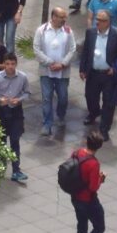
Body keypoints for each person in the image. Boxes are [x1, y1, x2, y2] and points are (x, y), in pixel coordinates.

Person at [80, 10, 117, 141]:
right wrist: (82, 69)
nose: (97, 22)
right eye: (97, 19)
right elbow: (86, 51)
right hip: (93, 73)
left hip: (109, 75)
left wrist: (116, 68)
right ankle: (93, 113)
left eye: (101, 20)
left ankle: (104, 129)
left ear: (108, 22)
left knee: (109, 103)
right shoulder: (90, 33)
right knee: (90, 97)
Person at [32, 7, 76, 137]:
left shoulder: (68, 31)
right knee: (46, 98)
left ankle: (61, 115)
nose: (64, 19)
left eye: (65, 17)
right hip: (47, 71)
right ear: (54, 17)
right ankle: (47, 124)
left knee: (63, 97)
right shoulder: (42, 31)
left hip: (63, 72)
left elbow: (72, 49)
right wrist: (50, 62)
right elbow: (36, 49)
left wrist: (62, 64)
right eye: (62, 17)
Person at [69, 130, 107, 233]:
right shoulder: (93, 164)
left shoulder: (77, 153)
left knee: (82, 226)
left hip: (75, 196)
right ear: (98, 147)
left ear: (87, 141)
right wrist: (101, 179)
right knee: (99, 227)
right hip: (88, 200)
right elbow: (93, 187)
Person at [0, 53, 31, 182]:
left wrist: (19, 100)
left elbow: (27, 93)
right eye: (7, 64)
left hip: (16, 112)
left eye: (12, 64)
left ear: (16, 64)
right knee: (1, 141)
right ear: (4, 64)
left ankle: (16, 170)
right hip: (1, 111)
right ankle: (0, 168)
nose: (10, 67)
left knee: (15, 141)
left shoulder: (22, 77)